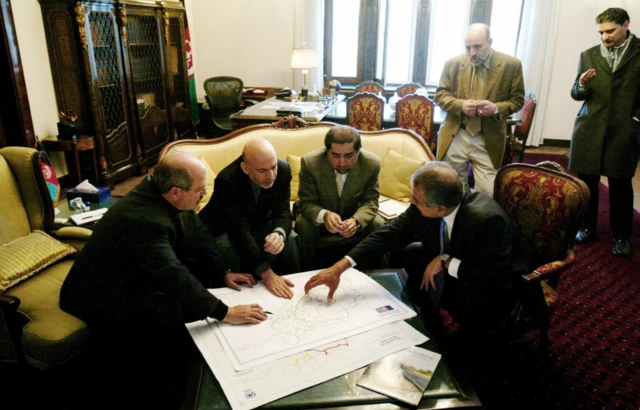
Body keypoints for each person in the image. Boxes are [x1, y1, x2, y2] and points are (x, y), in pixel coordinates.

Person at [59, 152, 268, 409]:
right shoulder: (144, 219)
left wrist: (224, 271)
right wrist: (226, 312)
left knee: (193, 286)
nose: (204, 194)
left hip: (134, 275)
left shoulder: (164, 193)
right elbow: (172, 273)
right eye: (200, 189)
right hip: (98, 293)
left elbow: (199, 232)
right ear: (176, 192)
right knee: (168, 316)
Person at [304, 161, 528, 337]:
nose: (411, 202)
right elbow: (388, 234)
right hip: (459, 259)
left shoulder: (486, 221)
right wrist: (339, 267)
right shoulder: (429, 202)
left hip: (491, 281)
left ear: (440, 209)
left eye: (416, 200)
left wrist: (446, 261)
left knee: (468, 331)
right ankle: (425, 313)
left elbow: (494, 277)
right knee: (413, 252)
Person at [570, 8, 639, 257]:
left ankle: (621, 237)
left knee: (620, 185)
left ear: (626, 25)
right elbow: (576, 94)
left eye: (610, 31)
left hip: (624, 130)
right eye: (601, 32)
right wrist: (581, 85)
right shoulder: (588, 54)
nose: (604, 37)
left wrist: (636, 120)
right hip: (590, 129)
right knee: (587, 184)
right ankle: (587, 228)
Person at [199, 138, 300, 299]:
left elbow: (282, 211)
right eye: (262, 171)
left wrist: (279, 233)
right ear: (245, 168)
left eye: (273, 167)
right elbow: (239, 231)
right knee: (229, 248)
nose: (271, 176)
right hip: (223, 231)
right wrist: (267, 273)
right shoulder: (227, 181)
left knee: (290, 238)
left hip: (258, 224)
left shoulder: (283, 169)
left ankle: (294, 287)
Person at [435, 23, 524, 195]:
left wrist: (496, 108)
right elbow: (440, 95)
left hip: (488, 137)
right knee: (452, 190)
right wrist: (461, 105)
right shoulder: (452, 64)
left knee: (487, 193)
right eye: (468, 47)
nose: (472, 53)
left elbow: (518, 100)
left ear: (490, 42)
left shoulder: (511, 65)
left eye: (477, 47)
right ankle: (456, 214)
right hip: (456, 134)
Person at [295, 125, 385, 270]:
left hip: (353, 216)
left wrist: (357, 220)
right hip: (320, 220)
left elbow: (371, 201)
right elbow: (306, 203)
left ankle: (374, 275)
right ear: (326, 151)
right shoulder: (310, 163)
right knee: (303, 225)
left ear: (358, 152)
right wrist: (325, 215)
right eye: (335, 156)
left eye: (349, 156)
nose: (342, 163)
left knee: (378, 224)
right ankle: (306, 274)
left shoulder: (371, 164)